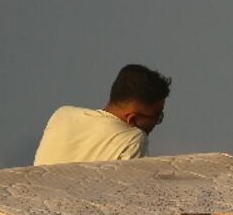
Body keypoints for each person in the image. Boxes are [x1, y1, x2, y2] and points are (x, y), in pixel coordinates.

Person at [33, 64, 171, 165]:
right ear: (131, 118)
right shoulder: (133, 139)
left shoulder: (63, 115)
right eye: (156, 116)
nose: (156, 123)